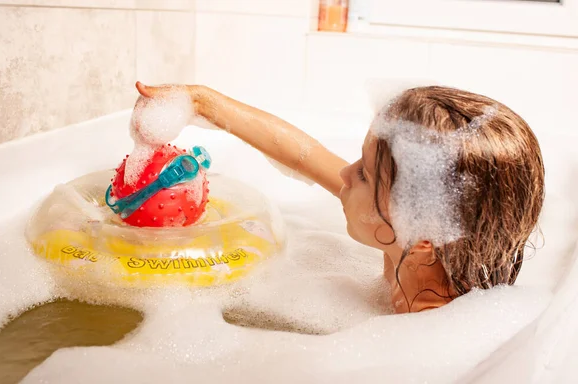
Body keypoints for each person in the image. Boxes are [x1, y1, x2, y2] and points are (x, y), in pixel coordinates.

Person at [134, 81, 545, 313]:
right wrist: (202, 101)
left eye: (364, 174)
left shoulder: (428, 332)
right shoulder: (415, 245)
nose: (344, 173)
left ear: (422, 236)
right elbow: (303, 153)